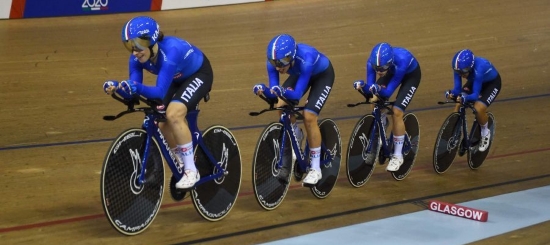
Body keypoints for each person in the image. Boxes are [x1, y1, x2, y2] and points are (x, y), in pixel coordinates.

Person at [102, 16, 213, 189]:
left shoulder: (171, 52)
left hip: (198, 74)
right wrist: (118, 87)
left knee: (173, 114)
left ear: (151, 40)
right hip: (175, 78)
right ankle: (182, 161)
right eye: (130, 47)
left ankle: (192, 170)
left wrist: (135, 87)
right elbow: (135, 90)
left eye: (138, 46)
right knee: (160, 121)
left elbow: (159, 92)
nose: (135, 52)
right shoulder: (136, 59)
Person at [253, 34, 335, 186]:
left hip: (322, 76)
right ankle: (296, 134)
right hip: (301, 74)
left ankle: (315, 169)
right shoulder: (275, 63)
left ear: (291, 56)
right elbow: (274, 91)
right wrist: (264, 89)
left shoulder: (306, 58)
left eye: (282, 62)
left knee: (309, 116)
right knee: (280, 104)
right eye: (274, 63)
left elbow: (296, 95)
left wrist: (279, 91)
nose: (278, 67)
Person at [353, 42, 421, 172]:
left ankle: (397, 155)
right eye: (376, 69)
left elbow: (388, 92)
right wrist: (363, 86)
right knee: (375, 101)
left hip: (410, 76)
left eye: (382, 68)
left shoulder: (402, 60)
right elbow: (371, 90)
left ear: (389, 63)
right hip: (392, 72)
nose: (379, 72)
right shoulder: (372, 63)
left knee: (397, 111)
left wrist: (377, 88)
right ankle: (381, 124)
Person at [446, 49, 501, 152]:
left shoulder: (479, 68)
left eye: (463, 73)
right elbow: (457, 90)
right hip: (475, 81)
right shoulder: (459, 68)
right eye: (458, 72)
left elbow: (475, 95)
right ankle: (453, 131)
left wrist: (465, 97)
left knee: (478, 108)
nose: (460, 75)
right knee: (459, 103)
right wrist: (451, 93)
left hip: (491, 84)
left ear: (470, 68)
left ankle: (485, 133)